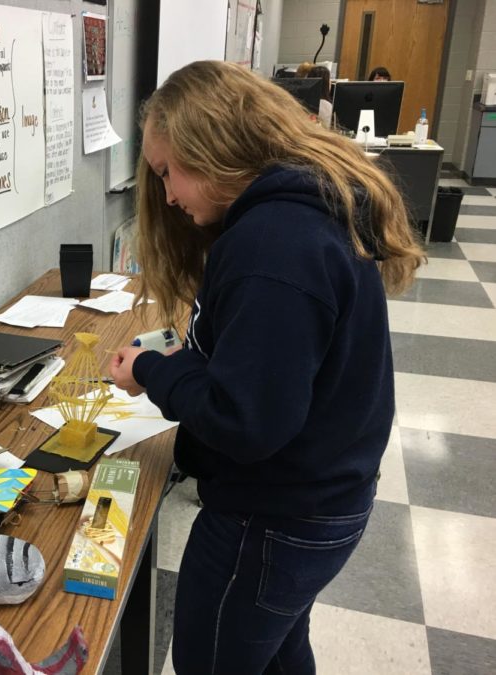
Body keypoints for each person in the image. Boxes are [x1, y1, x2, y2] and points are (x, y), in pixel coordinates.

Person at [110, 61, 423, 674]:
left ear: (215, 149)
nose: (168, 196)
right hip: (319, 500)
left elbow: (245, 423)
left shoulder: (272, 246)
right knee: (277, 651)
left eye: (170, 173)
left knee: (213, 659)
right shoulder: (297, 215)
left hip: (274, 518)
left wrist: (154, 371)